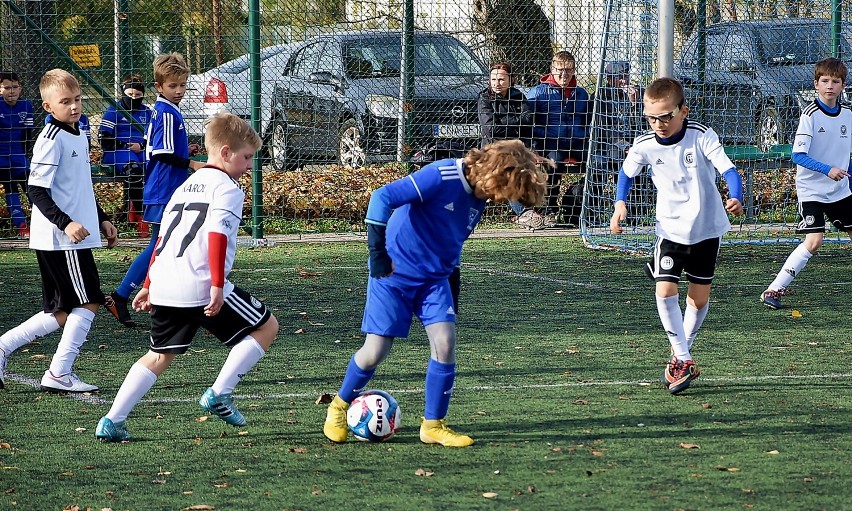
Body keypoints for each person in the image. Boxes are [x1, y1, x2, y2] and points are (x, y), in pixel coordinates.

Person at [323, 139, 547, 447]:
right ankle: (338, 407)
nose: (503, 200)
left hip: (434, 279)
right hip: (393, 273)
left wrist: (452, 278)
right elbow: (381, 197)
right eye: (506, 191)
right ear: (495, 175)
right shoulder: (443, 175)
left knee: (445, 342)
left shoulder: (480, 195)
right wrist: (377, 253)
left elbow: (451, 239)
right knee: (375, 351)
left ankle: (433, 425)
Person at [94, 112, 277, 442]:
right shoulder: (227, 189)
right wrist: (219, 286)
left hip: (166, 283)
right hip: (200, 284)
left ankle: (112, 419)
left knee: (158, 355)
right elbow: (216, 237)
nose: (249, 165)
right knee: (266, 327)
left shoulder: (183, 188)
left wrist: (149, 285)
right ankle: (219, 392)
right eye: (246, 157)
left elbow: (162, 240)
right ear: (224, 153)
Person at [609, 77, 744, 395]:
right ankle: (683, 358)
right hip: (670, 230)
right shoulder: (645, 144)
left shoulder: (701, 136)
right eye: (652, 117)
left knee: (698, 299)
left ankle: (680, 351)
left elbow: (729, 170)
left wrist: (735, 194)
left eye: (666, 116)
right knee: (665, 291)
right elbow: (626, 173)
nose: (659, 123)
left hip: (707, 229)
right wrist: (619, 205)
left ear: (684, 110)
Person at [0, 69, 118, 392]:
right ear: (48, 107)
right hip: (60, 238)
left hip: (69, 236)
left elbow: (79, 188)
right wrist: (67, 223)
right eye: (65, 102)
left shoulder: (79, 132)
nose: (75, 106)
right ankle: (58, 373)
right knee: (90, 299)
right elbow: (36, 190)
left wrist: (102, 217)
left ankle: (4, 347)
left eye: (78, 99)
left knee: (61, 311)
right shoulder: (50, 139)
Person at [104, 53, 204, 328]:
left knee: (166, 244)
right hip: (164, 189)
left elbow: (158, 147)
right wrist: (192, 162)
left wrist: (186, 151)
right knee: (161, 245)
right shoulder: (168, 113)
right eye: (174, 86)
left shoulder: (162, 110)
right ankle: (122, 295)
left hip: (166, 187)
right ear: (159, 87)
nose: (180, 91)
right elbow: (160, 152)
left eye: (183, 85)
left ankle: (144, 296)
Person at [760, 57, 852, 309]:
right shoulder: (809, 115)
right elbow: (798, 155)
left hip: (840, 190)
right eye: (825, 81)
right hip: (812, 190)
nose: (830, 86)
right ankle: (774, 290)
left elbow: (847, 154)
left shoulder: (848, 115)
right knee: (814, 241)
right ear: (816, 84)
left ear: (843, 86)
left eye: (835, 81)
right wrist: (827, 170)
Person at [527, 51, 591, 225]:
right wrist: (534, 146)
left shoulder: (581, 94)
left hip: (577, 142)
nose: (564, 74)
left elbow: (587, 121)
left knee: (598, 161)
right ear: (552, 69)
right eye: (560, 70)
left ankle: (579, 202)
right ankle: (550, 209)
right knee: (554, 161)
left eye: (569, 70)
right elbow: (527, 124)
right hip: (550, 143)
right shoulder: (538, 93)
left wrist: (584, 136)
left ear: (574, 70)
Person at [478, 62, 538, 224]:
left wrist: (503, 121)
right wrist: (515, 123)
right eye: (493, 79)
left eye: (502, 79)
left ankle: (535, 211)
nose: (497, 83)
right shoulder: (484, 99)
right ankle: (525, 213)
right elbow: (491, 129)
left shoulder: (518, 96)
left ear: (511, 80)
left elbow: (528, 120)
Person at [99, 73, 152, 237]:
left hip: (142, 150)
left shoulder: (147, 112)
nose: (134, 98)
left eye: (138, 95)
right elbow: (103, 138)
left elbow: (155, 135)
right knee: (134, 170)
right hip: (118, 151)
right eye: (130, 95)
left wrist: (141, 145)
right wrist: (125, 145)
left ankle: (147, 210)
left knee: (157, 168)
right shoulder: (114, 109)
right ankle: (142, 216)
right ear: (123, 93)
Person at [0, 71, 35, 237]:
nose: (11, 91)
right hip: (1, 159)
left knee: (32, 187)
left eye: (14, 87)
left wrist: (25, 155)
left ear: (20, 88)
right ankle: (21, 225)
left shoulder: (27, 106)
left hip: (19, 156)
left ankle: (40, 222)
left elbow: (28, 135)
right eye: (7, 88)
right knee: (10, 186)